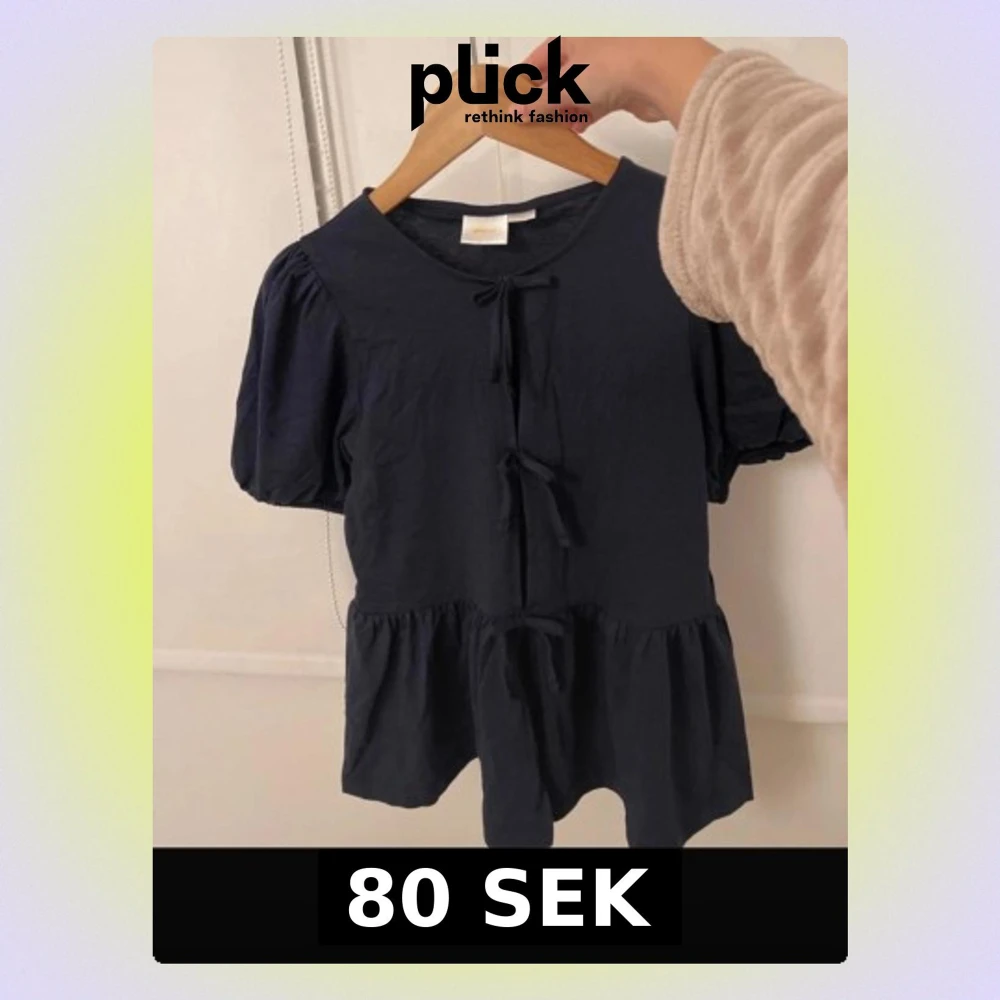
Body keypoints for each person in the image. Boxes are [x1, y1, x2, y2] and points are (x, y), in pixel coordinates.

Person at [523, 38, 848, 508]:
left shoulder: (675, 242)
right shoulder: (683, 239)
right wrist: (657, 64)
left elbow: (835, 239)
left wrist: (656, 63)